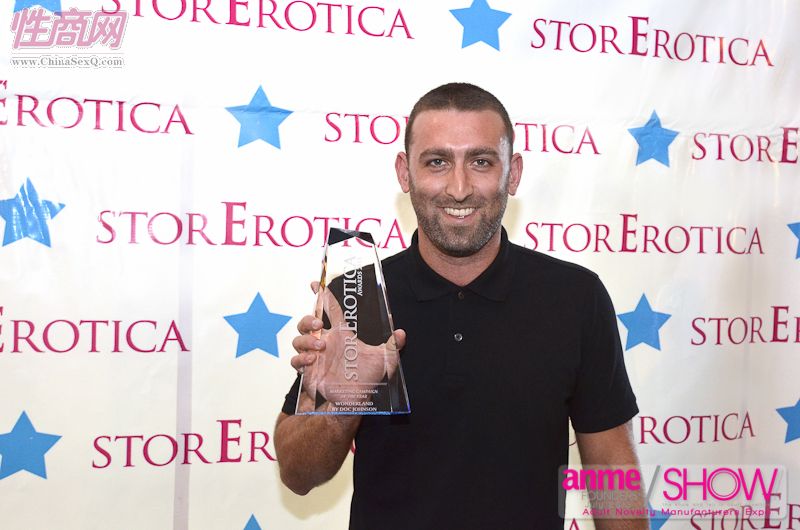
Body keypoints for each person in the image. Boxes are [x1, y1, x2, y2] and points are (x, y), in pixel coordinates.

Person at [275, 83, 647, 529]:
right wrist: (343, 404)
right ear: (404, 173)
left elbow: (612, 471)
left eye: (481, 162)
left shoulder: (575, 296)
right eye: (437, 162)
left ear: (513, 173)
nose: (459, 188)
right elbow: (298, 475)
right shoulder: (358, 296)